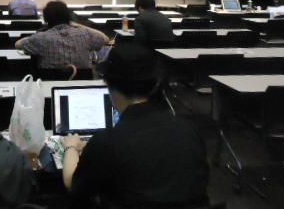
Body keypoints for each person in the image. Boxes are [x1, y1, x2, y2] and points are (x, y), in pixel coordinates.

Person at [62, 43, 210, 209]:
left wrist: (71, 147)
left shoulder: (107, 141)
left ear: (110, 85)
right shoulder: (188, 129)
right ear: (155, 84)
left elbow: (73, 184)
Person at [15, 0, 109, 69]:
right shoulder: (85, 34)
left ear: (46, 19)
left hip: (49, 84)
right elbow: (105, 39)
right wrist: (77, 24)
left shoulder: (40, 38)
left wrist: (33, 36)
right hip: (82, 84)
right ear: (68, 16)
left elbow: (17, 44)